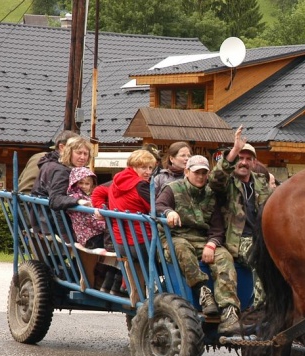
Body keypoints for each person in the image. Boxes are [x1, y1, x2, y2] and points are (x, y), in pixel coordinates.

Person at [156, 156, 234, 328]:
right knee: (182, 248)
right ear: (187, 172)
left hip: (202, 240)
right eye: (196, 172)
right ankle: (203, 292)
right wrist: (169, 212)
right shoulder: (172, 189)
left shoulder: (210, 194)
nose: (200, 176)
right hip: (174, 238)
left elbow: (217, 227)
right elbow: (158, 206)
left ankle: (229, 309)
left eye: (204, 173)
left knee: (224, 256)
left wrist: (212, 244)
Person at [209, 125, 271, 334]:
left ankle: (281, 310)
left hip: (262, 237)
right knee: (261, 258)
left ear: (254, 163)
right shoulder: (227, 183)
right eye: (240, 158)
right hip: (236, 240)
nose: (243, 162)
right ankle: (257, 311)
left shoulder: (262, 182)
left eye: (248, 159)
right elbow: (215, 179)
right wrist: (234, 150)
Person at [67, 166, 122, 294]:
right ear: (74, 183)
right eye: (81, 183)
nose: (84, 186)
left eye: (87, 183)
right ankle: (109, 281)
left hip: (95, 233)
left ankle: (109, 281)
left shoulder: (89, 197)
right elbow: (89, 221)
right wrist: (108, 224)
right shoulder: (76, 198)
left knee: (116, 246)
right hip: (89, 236)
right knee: (117, 247)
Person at [107, 149, 157, 284]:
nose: (148, 172)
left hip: (120, 241)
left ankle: (133, 293)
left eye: (150, 167)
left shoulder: (115, 183)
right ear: (132, 167)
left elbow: (99, 191)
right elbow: (156, 209)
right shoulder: (140, 185)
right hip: (141, 240)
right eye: (143, 167)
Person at [31, 136, 93, 238]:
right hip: (55, 223)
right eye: (79, 153)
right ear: (69, 152)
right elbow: (55, 199)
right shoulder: (62, 171)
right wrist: (78, 201)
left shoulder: (54, 165)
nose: (83, 157)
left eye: (85, 154)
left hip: (44, 219)